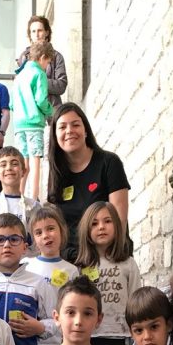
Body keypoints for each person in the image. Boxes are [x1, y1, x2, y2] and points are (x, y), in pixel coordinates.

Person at [46, 103, 130, 259]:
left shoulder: (109, 163)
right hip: (72, 260)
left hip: (107, 258)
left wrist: (108, 259)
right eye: (62, 127)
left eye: (75, 125)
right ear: (55, 136)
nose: (69, 131)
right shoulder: (57, 173)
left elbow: (119, 219)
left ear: (85, 131)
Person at [0, 214, 57, 345]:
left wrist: (40, 327)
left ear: (24, 247)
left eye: (14, 239)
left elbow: (56, 320)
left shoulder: (38, 283)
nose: (7, 245)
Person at [75, 202, 142, 345]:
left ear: (117, 225)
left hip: (121, 336)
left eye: (107, 221)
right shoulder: (80, 267)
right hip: (89, 336)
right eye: (94, 223)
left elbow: (136, 302)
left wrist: (136, 332)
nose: (101, 227)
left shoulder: (128, 264)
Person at [12, 43, 54, 201]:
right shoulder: (39, 74)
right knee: (36, 161)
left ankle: (19, 195)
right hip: (34, 123)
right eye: (48, 62)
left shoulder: (19, 75)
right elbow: (41, 100)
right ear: (42, 58)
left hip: (19, 124)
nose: (47, 66)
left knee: (24, 163)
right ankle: (34, 197)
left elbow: (11, 104)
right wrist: (51, 111)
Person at [0, 147, 38, 247]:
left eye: (14, 164)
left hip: (27, 256)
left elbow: (37, 243)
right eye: (3, 165)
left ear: (23, 171)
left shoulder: (34, 206)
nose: (9, 168)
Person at [15, 16, 67, 113]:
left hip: (52, 111)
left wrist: (39, 80)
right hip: (30, 112)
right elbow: (20, 86)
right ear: (30, 35)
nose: (37, 35)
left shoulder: (57, 57)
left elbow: (61, 86)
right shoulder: (23, 57)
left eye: (40, 30)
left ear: (46, 32)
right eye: (33, 31)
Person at [25, 205, 79, 296]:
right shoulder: (26, 265)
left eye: (50, 229)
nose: (45, 236)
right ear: (34, 239)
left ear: (62, 231)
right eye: (39, 233)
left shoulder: (72, 271)